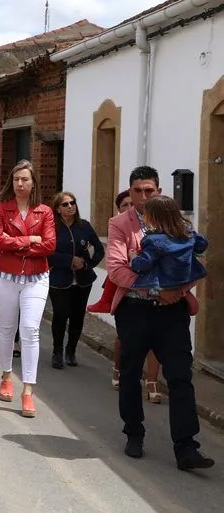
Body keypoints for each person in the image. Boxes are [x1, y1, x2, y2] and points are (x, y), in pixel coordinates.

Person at [106, 166, 213, 470]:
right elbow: (116, 268)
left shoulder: (178, 222)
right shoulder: (119, 224)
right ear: (129, 191)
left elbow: (193, 264)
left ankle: (186, 447)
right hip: (134, 310)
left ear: (159, 191)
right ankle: (134, 433)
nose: (142, 196)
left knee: (180, 376)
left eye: (148, 190)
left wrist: (176, 291)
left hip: (173, 312)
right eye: (137, 191)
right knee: (130, 374)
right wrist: (155, 290)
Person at [0, 160, 55, 418]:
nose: (20, 184)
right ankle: (6, 376)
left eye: (25, 179)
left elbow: (49, 245)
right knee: (7, 329)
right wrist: (29, 240)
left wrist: (15, 243)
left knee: (30, 330)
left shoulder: (45, 212)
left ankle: (28, 390)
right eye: (16, 179)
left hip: (36, 277)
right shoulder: (1, 209)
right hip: (4, 276)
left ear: (33, 183)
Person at [88, 190, 163, 396]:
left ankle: (152, 381)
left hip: (156, 292)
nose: (130, 207)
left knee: (155, 341)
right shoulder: (120, 225)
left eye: (132, 204)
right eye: (125, 205)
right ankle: (119, 369)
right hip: (129, 290)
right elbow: (117, 265)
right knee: (125, 338)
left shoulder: (156, 224)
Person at [48, 192, 104, 369]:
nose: (70, 206)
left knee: (78, 316)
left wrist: (87, 264)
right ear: (58, 209)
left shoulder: (84, 226)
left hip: (82, 280)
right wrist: (69, 260)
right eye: (65, 204)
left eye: (72, 203)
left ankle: (71, 350)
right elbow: (47, 253)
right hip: (59, 279)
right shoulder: (51, 228)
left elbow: (99, 250)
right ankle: (57, 351)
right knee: (60, 314)